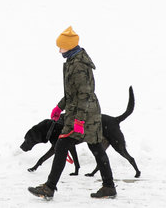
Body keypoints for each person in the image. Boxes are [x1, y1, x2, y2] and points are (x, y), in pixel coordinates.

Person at [28, 27, 116, 200]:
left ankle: (49, 187)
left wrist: (80, 121)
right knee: (95, 146)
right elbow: (72, 93)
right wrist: (59, 107)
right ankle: (109, 186)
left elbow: (84, 95)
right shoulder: (72, 61)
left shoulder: (79, 66)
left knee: (63, 145)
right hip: (81, 112)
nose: (58, 50)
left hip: (85, 114)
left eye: (61, 46)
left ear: (68, 46)